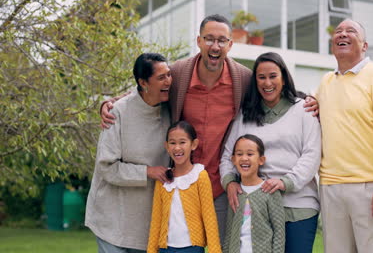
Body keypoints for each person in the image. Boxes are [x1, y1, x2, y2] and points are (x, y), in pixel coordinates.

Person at [99, 14, 319, 242]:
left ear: (230, 45)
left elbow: (273, 87)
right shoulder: (178, 74)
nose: (215, 46)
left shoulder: (243, 79)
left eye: (222, 40)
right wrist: (113, 102)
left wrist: (307, 99)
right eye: (209, 39)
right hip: (183, 185)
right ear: (199, 41)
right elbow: (148, 88)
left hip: (222, 187)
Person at [220, 52, 321, 253]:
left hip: (297, 205)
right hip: (257, 206)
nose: (268, 83)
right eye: (261, 77)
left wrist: (286, 182)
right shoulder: (245, 115)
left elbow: (312, 154)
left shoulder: (304, 109)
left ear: (283, 78)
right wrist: (229, 181)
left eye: (273, 76)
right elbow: (227, 155)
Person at [315, 18, 373, 253]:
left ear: (364, 46)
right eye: (338, 31)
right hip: (331, 187)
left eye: (350, 31)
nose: (342, 34)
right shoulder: (326, 81)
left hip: (370, 186)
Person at [85, 53, 173, 252]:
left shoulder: (170, 108)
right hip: (112, 218)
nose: (168, 81)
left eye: (169, 75)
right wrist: (148, 172)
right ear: (143, 82)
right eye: (161, 77)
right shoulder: (117, 112)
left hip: (147, 221)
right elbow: (106, 167)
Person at [147, 121, 221, 253]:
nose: (177, 148)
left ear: (193, 144)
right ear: (167, 146)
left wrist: (215, 250)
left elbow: (209, 218)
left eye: (182, 142)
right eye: (172, 143)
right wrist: (151, 250)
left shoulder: (200, 176)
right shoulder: (163, 179)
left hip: (192, 248)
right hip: (165, 248)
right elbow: (156, 219)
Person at [223, 134, 285, 253]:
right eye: (239, 154)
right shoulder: (235, 192)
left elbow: (279, 233)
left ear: (261, 160)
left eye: (250, 154)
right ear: (233, 160)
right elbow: (229, 231)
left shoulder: (270, 191)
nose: (244, 158)